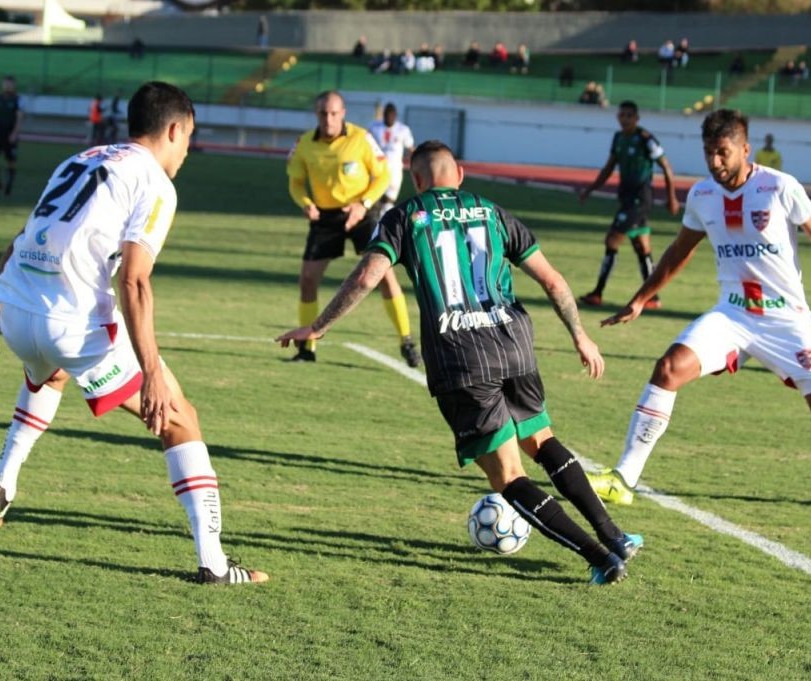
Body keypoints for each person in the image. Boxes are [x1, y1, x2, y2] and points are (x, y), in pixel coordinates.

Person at [277, 140, 644, 585]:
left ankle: (599, 557)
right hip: (514, 343)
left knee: (509, 477)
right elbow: (552, 279)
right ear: (460, 174)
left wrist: (319, 326)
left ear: (416, 180)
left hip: (461, 358)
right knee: (541, 439)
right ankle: (614, 535)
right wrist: (580, 335)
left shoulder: (405, 216)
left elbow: (367, 276)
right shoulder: (491, 211)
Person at [0, 81, 267, 586]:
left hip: (14, 305)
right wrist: (152, 374)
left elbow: (24, 235)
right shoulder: (155, 183)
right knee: (180, 419)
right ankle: (213, 564)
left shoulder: (79, 158)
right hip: (70, 323)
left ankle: (3, 478)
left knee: (47, 374)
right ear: (173, 129)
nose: (188, 150)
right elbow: (135, 279)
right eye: (189, 137)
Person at [588, 109, 811, 506]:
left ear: (745, 148)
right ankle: (624, 479)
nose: (714, 162)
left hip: (785, 319)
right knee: (669, 368)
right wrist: (640, 299)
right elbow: (679, 251)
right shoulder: (702, 195)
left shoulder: (780, 187)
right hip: (733, 314)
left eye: (723, 152)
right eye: (708, 152)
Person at [286, 90, 420, 367]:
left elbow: (382, 176)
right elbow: (296, 182)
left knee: (384, 276)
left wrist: (364, 203)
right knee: (308, 280)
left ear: (343, 113)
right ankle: (306, 349)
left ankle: (406, 339)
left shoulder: (361, 138)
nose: (328, 118)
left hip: (361, 212)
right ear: (317, 114)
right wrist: (305, 203)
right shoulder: (304, 144)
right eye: (323, 113)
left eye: (334, 113)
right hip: (324, 217)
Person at [578, 100, 680, 308]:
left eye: (628, 116)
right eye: (621, 115)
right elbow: (609, 168)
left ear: (636, 118)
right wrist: (590, 188)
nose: (624, 119)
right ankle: (653, 297)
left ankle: (597, 293)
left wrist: (672, 197)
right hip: (626, 198)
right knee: (642, 247)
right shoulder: (618, 138)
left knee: (612, 240)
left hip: (639, 199)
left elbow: (666, 167)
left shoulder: (646, 139)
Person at [368, 103, 415, 217]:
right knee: (373, 199)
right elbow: (365, 144)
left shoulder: (403, 129)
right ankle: (374, 225)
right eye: (386, 115)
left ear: (395, 115)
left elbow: (411, 148)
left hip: (394, 170)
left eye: (391, 115)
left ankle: (385, 225)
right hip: (377, 168)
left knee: (389, 201)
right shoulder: (374, 126)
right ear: (383, 115)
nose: (389, 117)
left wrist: (416, 162)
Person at [0, 75, 22, 196]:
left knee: (10, 161)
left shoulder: (17, 99)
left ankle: (9, 183)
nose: (7, 86)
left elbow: (19, 117)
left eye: (10, 84)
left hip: (10, 134)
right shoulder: (0, 97)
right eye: (6, 83)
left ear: (14, 85)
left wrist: (15, 132)